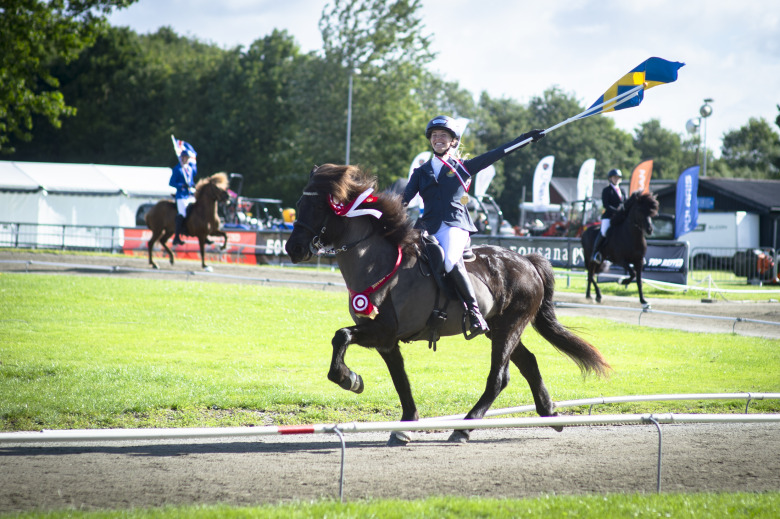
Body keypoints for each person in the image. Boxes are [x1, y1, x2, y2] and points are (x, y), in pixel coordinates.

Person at [403, 115, 544, 338]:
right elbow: (403, 199)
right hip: (426, 228)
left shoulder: (463, 168)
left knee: (450, 261)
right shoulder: (421, 172)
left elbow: (497, 153)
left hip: (454, 225)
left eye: (443, 135)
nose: (438, 139)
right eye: (434, 135)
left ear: (453, 141)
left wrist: (525, 139)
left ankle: (474, 312)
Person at [592, 168, 626, 264]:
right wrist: (616, 210)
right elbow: (606, 205)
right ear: (610, 178)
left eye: (618, 178)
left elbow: (625, 202)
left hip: (620, 217)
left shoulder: (622, 191)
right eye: (614, 177)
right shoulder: (607, 190)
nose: (616, 179)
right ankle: (595, 252)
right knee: (603, 232)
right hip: (609, 216)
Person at [169, 149, 196, 245]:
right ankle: (177, 236)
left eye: (187, 158)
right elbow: (171, 182)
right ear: (181, 158)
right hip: (181, 196)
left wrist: (192, 185)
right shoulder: (177, 169)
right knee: (182, 214)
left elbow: (191, 181)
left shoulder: (189, 169)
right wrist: (181, 185)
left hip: (189, 195)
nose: (186, 159)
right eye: (184, 157)